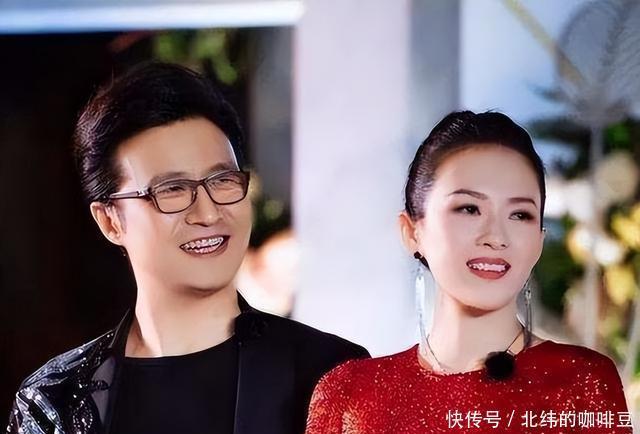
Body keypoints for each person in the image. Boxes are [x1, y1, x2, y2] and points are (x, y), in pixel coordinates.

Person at [7, 62, 368, 434]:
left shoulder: (331, 374)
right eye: (172, 190)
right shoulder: (55, 400)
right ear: (110, 221)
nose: (208, 213)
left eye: (222, 180)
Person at [306, 111, 632, 433]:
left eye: (520, 215)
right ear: (412, 232)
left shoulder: (582, 381)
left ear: (539, 241)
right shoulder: (349, 392)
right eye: (469, 209)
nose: (496, 237)